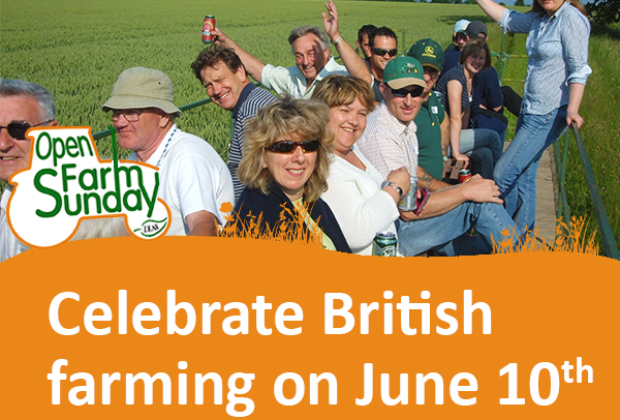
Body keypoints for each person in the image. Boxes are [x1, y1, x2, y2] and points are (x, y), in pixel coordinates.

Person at [356, 56, 516, 256]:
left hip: (405, 221)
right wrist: (465, 191)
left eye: (415, 92)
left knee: (485, 249)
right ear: (383, 90)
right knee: (479, 205)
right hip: (392, 235)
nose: (408, 101)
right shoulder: (380, 134)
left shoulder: (403, 125)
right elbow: (407, 211)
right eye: (400, 92)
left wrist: (462, 188)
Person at [474, 0, 591, 235]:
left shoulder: (571, 19)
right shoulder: (541, 19)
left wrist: (573, 109)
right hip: (531, 109)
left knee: (502, 173)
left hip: (548, 112)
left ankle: (503, 234)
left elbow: (579, 68)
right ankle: (523, 241)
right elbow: (508, 18)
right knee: (525, 176)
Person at [102, 67, 234, 236]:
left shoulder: (187, 157)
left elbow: (205, 226)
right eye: (116, 113)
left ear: (163, 116)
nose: (120, 122)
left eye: (131, 113)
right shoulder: (133, 161)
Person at [234, 96, 351, 253]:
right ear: (262, 157)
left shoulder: (312, 203)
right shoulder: (255, 221)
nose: (299, 158)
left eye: (309, 145)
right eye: (284, 146)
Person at [312, 75, 411, 255]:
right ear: (321, 112)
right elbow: (356, 234)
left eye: (362, 113)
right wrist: (395, 188)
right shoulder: (326, 164)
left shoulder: (351, 149)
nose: (354, 121)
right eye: (345, 110)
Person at [212, 0, 371, 99]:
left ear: (326, 52)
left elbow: (364, 80)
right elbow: (259, 71)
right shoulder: (292, 76)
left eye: (311, 53)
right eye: (299, 55)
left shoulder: (338, 76)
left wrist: (335, 36)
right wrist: (225, 41)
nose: (306, 62)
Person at [191, 45, 277, 201]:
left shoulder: (251, 114)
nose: (216, 90)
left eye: (220, 79)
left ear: (240, 72)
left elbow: (261, 178)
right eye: (208, 85)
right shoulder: (258, 99)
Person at [0, 79, 58, 262]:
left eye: (18, 129)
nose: (2, 144)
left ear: (51, 132)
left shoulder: (60, 219)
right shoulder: (11, 195)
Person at [434, 39, 502, 178]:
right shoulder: (456, 79)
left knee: (485, 153)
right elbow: (455, 117)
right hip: (440, 139)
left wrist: (464, 142)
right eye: (473, 56)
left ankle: (487, 194)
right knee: (493, 137)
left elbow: (466, 113)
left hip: (453, 136)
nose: (477, 61)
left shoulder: (472, 78)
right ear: (465, 56)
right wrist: (457, 152)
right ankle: (503, 178)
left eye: (481, 58)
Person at [367, 26, 399, 103]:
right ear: (370, 50)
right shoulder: (358, 71)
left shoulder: (400, 75)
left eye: (392, 52)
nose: (387, 57)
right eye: (380, 51)